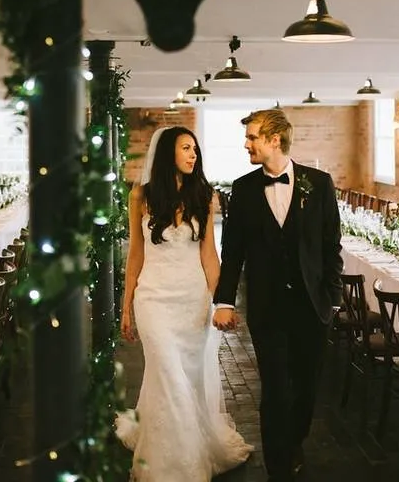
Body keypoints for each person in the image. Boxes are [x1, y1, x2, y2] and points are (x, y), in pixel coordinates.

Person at [212, 109, 343, 481]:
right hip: (267, 308)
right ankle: (278, 467)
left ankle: (294, 441)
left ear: (275, 139)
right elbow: (232, 251)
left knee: (305, 386)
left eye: (252, 137)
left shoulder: (319, 183)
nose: (246, 144)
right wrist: (224, 301)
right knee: (274, 389)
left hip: (311, 306)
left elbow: (331, 245)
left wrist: (333, 298)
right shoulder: (244, 189)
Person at [116, 126, 253, 481]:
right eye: (186, 148)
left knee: (187, 377)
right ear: (168, 153)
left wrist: (222, 302)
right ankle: (172, 465)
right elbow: (135, 254)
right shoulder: (140, 196)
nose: (193, 155)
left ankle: (189, 447)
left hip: (193, 300)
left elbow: (209, 255)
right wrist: (126, 306)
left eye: (195, 149)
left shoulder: (203, 196)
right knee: (167, 372)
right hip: (153, 299)